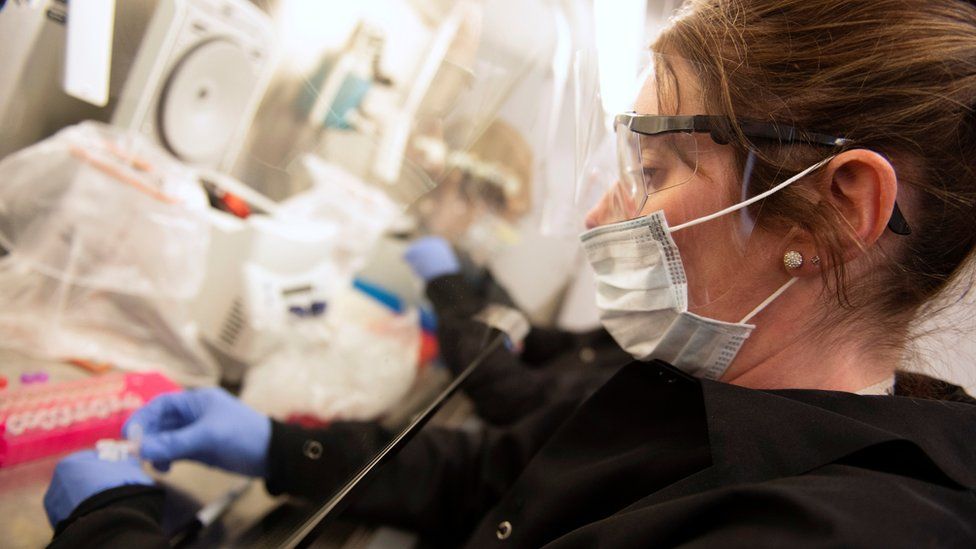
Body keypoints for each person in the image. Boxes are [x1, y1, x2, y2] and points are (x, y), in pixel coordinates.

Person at [44, 0, 976, 546]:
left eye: (655, 170)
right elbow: (505, 467)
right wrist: (281, 445)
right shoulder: (705, 385)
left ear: (838, 207)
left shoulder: (812, 530)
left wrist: (113, 529)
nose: (602, 214)